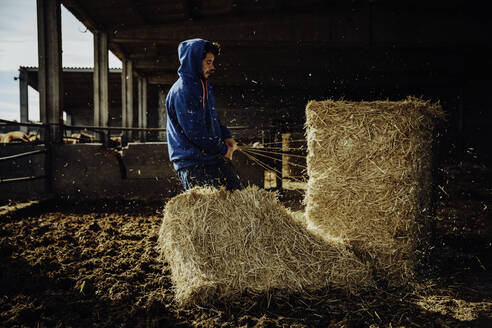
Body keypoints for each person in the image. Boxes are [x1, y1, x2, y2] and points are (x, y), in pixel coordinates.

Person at [166, 38, 242, 191]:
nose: (212, 67)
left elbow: (212, 119)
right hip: (193, 162)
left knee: (238, 196)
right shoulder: (184, 90)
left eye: (212, 62)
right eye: (208, 62)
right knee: (211, 210)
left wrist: (226, 135)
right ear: (194, 60)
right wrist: (222, 148)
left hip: (210, 157)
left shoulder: (203, 86)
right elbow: (195, 132)